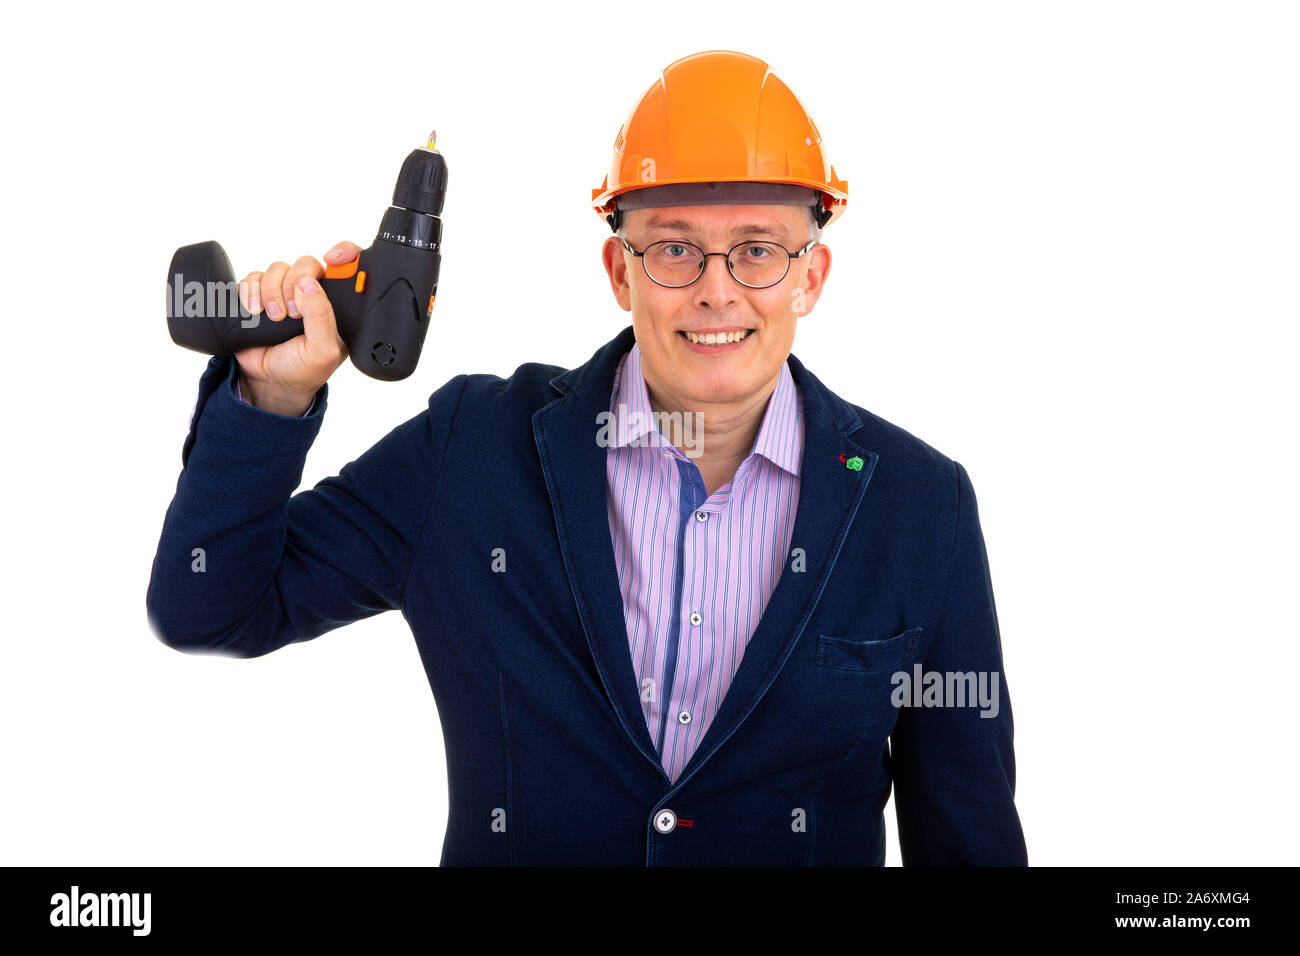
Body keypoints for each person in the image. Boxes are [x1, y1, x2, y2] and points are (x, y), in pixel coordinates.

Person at [146, 49, 1028, 866]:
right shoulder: (473, 451)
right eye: (675, 247)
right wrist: (270, 397)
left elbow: (969, 841)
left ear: (812, 276)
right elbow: (209, 609)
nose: (717, 288)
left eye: (758, 250)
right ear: (620, 269)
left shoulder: (922, 507)